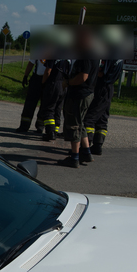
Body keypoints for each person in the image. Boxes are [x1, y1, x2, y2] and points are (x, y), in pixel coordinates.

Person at [57, 30, 98, 168]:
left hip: (80, 94)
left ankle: (74, 157)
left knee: (74, 125)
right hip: (87, 93)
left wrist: (67, 83)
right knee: (80, 123)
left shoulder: (85, 55)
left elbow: (83, 77)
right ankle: (85, 152)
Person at [84, 58, 125, 154]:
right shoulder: (119, 57)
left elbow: (101, 72)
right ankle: (98, 145)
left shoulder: (108, 57)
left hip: (101, 87)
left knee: (89, 118)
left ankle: (84, 145)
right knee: (102, 118)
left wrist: (90, 71)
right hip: (109, 88)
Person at [36, 58, 70, 141]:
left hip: (54, 83)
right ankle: (55, 130)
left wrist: (43, 83)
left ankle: (50, 132)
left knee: (48, 109)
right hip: (63, 85)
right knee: (57, 109)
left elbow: (48, 71)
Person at [15, 56, 47, 133]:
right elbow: (31, 62)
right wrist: (26, 75)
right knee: (30, 103)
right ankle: (24, 126)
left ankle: (40, 126)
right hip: (37, 78)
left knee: (44, 105)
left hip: (48, 79)